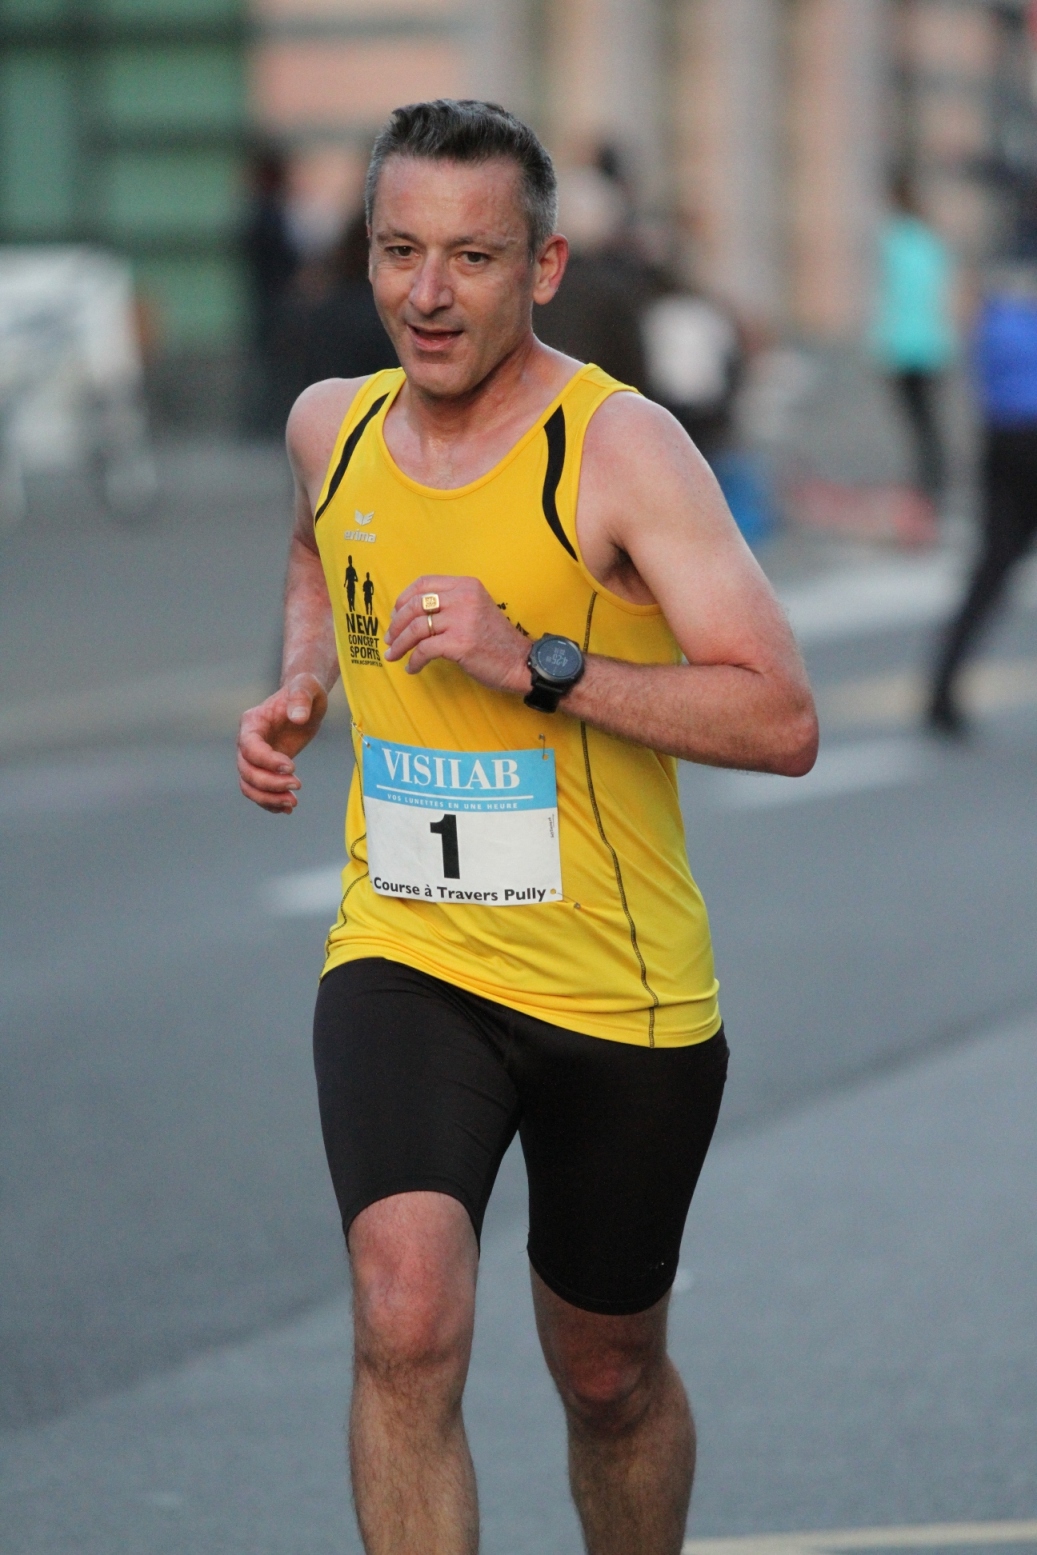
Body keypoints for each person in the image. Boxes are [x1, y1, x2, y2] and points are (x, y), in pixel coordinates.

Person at [237, 98, 817, 1555]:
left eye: (472, 256)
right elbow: (313, 545)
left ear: (543, 266)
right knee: (403, 1314)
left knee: (607, 1373)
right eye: (399, 251)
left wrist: (538, 663)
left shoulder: (621, 452)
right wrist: (302, 682)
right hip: (407, 950)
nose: (427, 294)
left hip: (615, 987)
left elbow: (780, 717)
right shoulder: (331, 425)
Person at [928, 270, 1037, 734]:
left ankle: (942, 689)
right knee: (992, 569)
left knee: (991, 569)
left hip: (1002, 443)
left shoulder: (994, 318)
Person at [870, 171, 957, 506]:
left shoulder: (892, 239)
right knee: (930, 418)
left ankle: (926, 481)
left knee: (913, 419)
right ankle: (936, 478)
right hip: (933, 343)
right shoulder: (931, 240)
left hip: (902, 344)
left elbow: (888, 295)